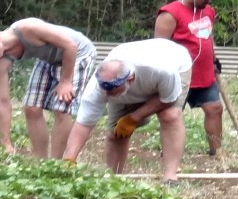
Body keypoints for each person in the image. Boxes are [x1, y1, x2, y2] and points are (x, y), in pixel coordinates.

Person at [62, 38, 192, 183]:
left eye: (112, 90)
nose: (107, 94)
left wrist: (134, 117)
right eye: (105, 89)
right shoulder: (97, 88)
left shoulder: (163, 70)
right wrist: (69, 159)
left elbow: (168, 99)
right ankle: (113, 179)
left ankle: (170, 176)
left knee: (170, 115)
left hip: (176, 62)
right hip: (136, 78)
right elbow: (83, 124)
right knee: (117, 134)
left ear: (129, 80)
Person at [0, 18, 97, 158]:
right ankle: (41, 163)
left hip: (78, 53)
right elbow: (2, 102)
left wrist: (65, 81)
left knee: (61, 108)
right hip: (49, 59)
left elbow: (70, 46)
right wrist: (6, 141)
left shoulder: (28, 28)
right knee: (31, 107)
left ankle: (56, 166)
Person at [154, 0, 224, 156]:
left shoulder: (208, 11)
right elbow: (159, 47)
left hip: (204, 73)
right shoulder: (169, 13)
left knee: (215, 108)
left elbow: (208, 38)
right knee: (172, 115)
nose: (208, 1)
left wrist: (214, 60)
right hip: (179, 75)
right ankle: (169, 153)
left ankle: (216, 152)